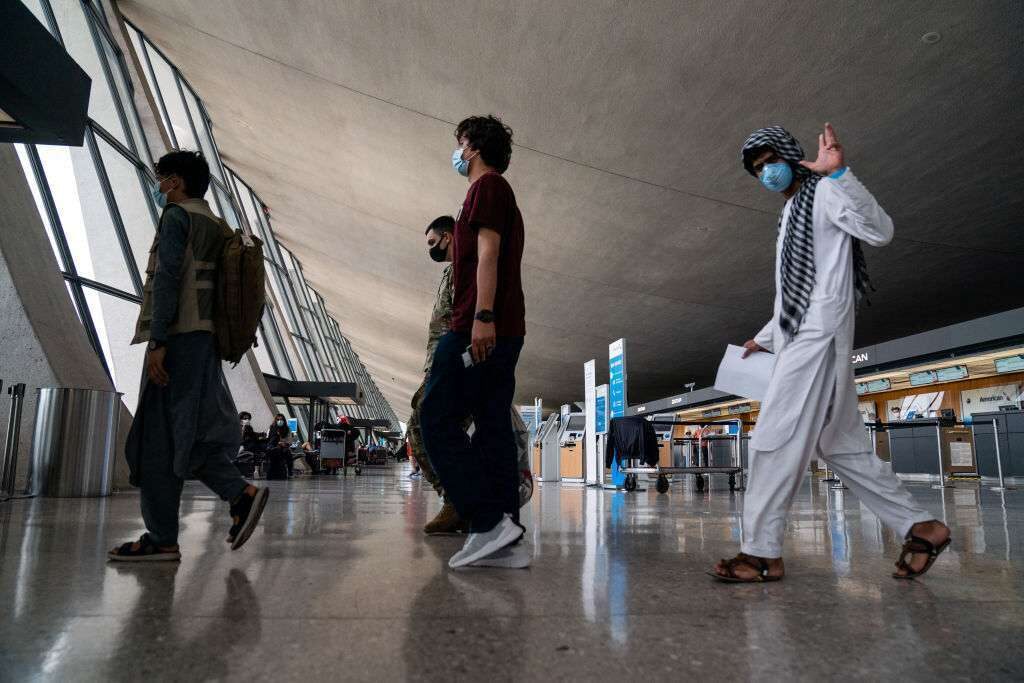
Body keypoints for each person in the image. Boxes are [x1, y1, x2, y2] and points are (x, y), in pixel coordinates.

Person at [710, 124, 950, 582]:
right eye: (757, 170)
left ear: (790, 155)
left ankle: (761, 551)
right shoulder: (790, 214)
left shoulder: (823, 193)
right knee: (837, 444)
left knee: (773, 438)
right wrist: (766, 336)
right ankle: (922, 527)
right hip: (803, 332)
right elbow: (794, 287)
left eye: (770, 163)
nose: (766, 174)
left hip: (818, 334)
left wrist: (840, 175)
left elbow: (879, 230)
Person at [110, 150, 268, 562]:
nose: (158, 185)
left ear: (175, 182)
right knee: (188, 432)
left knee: (158, 439)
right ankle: (233, 498)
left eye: (161, 178)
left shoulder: (178, 218)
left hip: (178, 338)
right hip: (205, 341)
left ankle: (170, 533)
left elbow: (166, 280)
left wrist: (158, 341)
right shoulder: (217, 225)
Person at [420, 115, 528, 569]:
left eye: (460, 143)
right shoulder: (494, 192)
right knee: (491, 426)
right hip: (503, 327)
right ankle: (505, 537)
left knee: (434, 418)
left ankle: (487, 522)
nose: (457, 151)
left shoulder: (486, 189)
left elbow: (488, 254)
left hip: (476, 326)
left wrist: (482, 317)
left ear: (474, 148)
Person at [265, 413, 293, 479]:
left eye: (281, 419)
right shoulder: (272, 428)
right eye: (278, 419)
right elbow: (268, 438)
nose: (279, 421)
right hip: (274, 446)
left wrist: (284, 443)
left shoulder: (287, 429)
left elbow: (289, 441)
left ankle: (290, 471)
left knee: (288, 454)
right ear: (275, 420)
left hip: (284, 446)